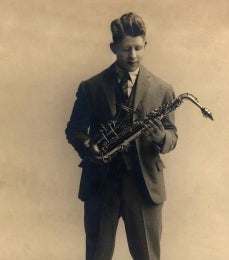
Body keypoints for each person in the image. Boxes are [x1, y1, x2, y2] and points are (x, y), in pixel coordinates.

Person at [65, 12, 178, 260]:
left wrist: (161, 138)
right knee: (97, 256)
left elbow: (172, 136)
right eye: (126, 48)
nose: (133, 55)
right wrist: (87, 145)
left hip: (144, 185)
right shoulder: (91, 86)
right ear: (113, 47)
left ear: (145, 45)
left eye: (138, 48)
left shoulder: (162, 88)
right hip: (101, 184)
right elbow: (74, 129)